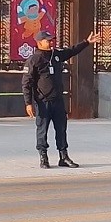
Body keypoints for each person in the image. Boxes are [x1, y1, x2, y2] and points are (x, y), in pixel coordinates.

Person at [22, 30, 99, 169]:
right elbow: (26, 83)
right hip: (43, 102)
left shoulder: (56, 55)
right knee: (42, 130)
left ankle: (63, 156)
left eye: (51, 40)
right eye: (47, 40)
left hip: (58, 101)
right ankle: (43, 157)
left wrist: (87, 42)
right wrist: (28, 103)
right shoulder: (34, 60)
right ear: (39, 42)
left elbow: (72, 51)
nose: (50, 42)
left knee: (61, 129)